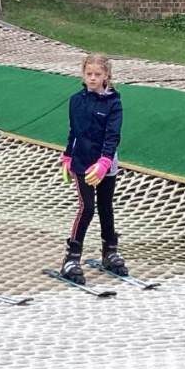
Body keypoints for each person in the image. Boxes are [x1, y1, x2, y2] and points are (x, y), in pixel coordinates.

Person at [59, 53, 127, 285]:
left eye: (98, 74)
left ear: (106, 75)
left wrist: (105, 162)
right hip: (83, 162)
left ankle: (110, 250)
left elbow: (112, 135)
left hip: (105, 164)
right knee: (86, 207)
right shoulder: (76, 101)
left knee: (106, 206)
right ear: (83, 74)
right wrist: (67, 156)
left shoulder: (114, 103)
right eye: (89, 74)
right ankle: (71, 257)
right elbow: (74, 132)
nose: (93, 78)